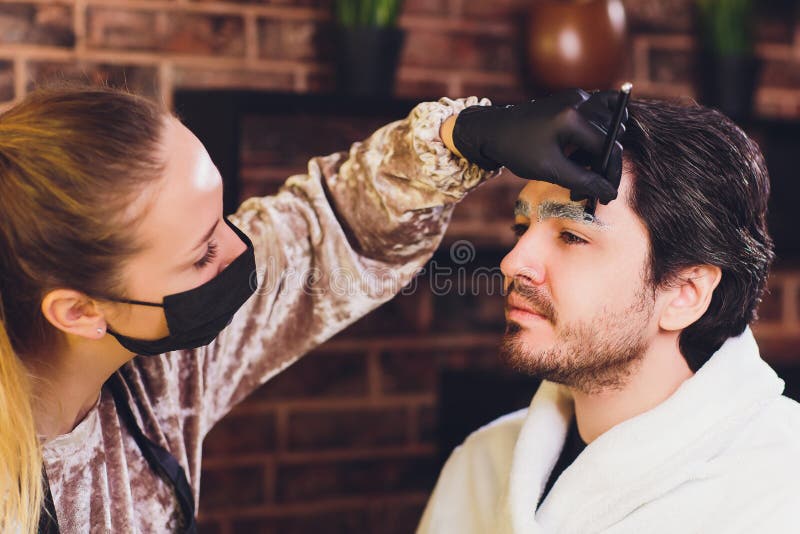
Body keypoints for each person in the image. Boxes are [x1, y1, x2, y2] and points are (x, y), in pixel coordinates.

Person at [0, 84, 625, 532]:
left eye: (222, 219)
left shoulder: (152, 370)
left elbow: (333, 225)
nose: (241, 250)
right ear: (79, 312)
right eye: (198, 257)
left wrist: (468, 138)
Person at [417, 99, 800, 533]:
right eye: (522, 228)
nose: (514, 261)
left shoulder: (784, 487)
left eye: (572, 236)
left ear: (685, 294)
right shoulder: (481, 465)